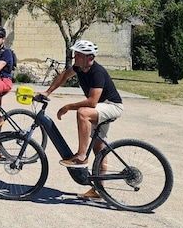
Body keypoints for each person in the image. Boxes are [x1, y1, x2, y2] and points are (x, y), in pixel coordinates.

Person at [41, 40, 124, 199]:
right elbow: (63, 76)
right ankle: (99, 190)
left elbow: (92, 102)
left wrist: (67, 107)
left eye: (78, 55)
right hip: (100, 107)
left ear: (90, 58)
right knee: (99, 149)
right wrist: (47, 92)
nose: (75, 58)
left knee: (82, 112)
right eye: (75, 54)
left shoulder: (97, 72)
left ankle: (80, 156)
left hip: (112, 106)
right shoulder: (79, 67)